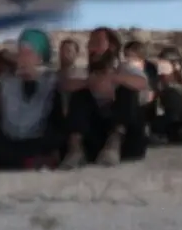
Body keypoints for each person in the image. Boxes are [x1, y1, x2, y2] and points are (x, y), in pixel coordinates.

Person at [0, 28, 65, 170]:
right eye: (20, 53)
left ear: (40, 58)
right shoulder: (6, 83)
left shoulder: (53, 83)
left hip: (37, 145)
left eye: (28, 53)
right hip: (7, 146)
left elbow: (56, 123)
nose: (23, 58)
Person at [61, 27, 148, 169]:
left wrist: (112, 79)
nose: (91, 48)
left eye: (96, 43)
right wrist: (90, 83)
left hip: (126, 141)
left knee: (127, 90)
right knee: (80, 93)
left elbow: (142, 82)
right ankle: (75, 150)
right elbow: (66, 85)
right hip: (96, 138)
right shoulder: (84, 72)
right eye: (90, 44)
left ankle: (114, 143)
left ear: (111, 47)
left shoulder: (125, 68)